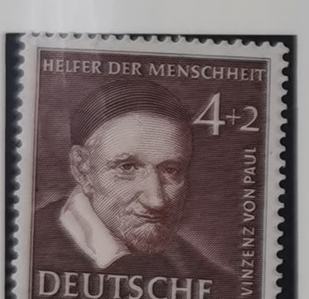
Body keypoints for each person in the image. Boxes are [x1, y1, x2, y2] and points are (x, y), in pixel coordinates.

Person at [29, 80, 223, 287]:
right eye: (127, 167)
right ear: (82, 168)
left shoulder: (202, 272)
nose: (156, 201)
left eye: (170, 170)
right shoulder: (30, 247)